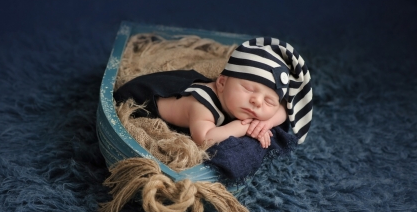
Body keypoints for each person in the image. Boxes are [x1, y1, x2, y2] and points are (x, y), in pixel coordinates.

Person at [114, 37, 313, 148]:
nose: (257, 102)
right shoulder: (202, 105)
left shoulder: (245, 101)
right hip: (141, 97)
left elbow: (284, 108)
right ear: (222, 82)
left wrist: (266, 122)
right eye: (248, 89)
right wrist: (242, 127)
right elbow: (205, 138)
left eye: (268, 101)